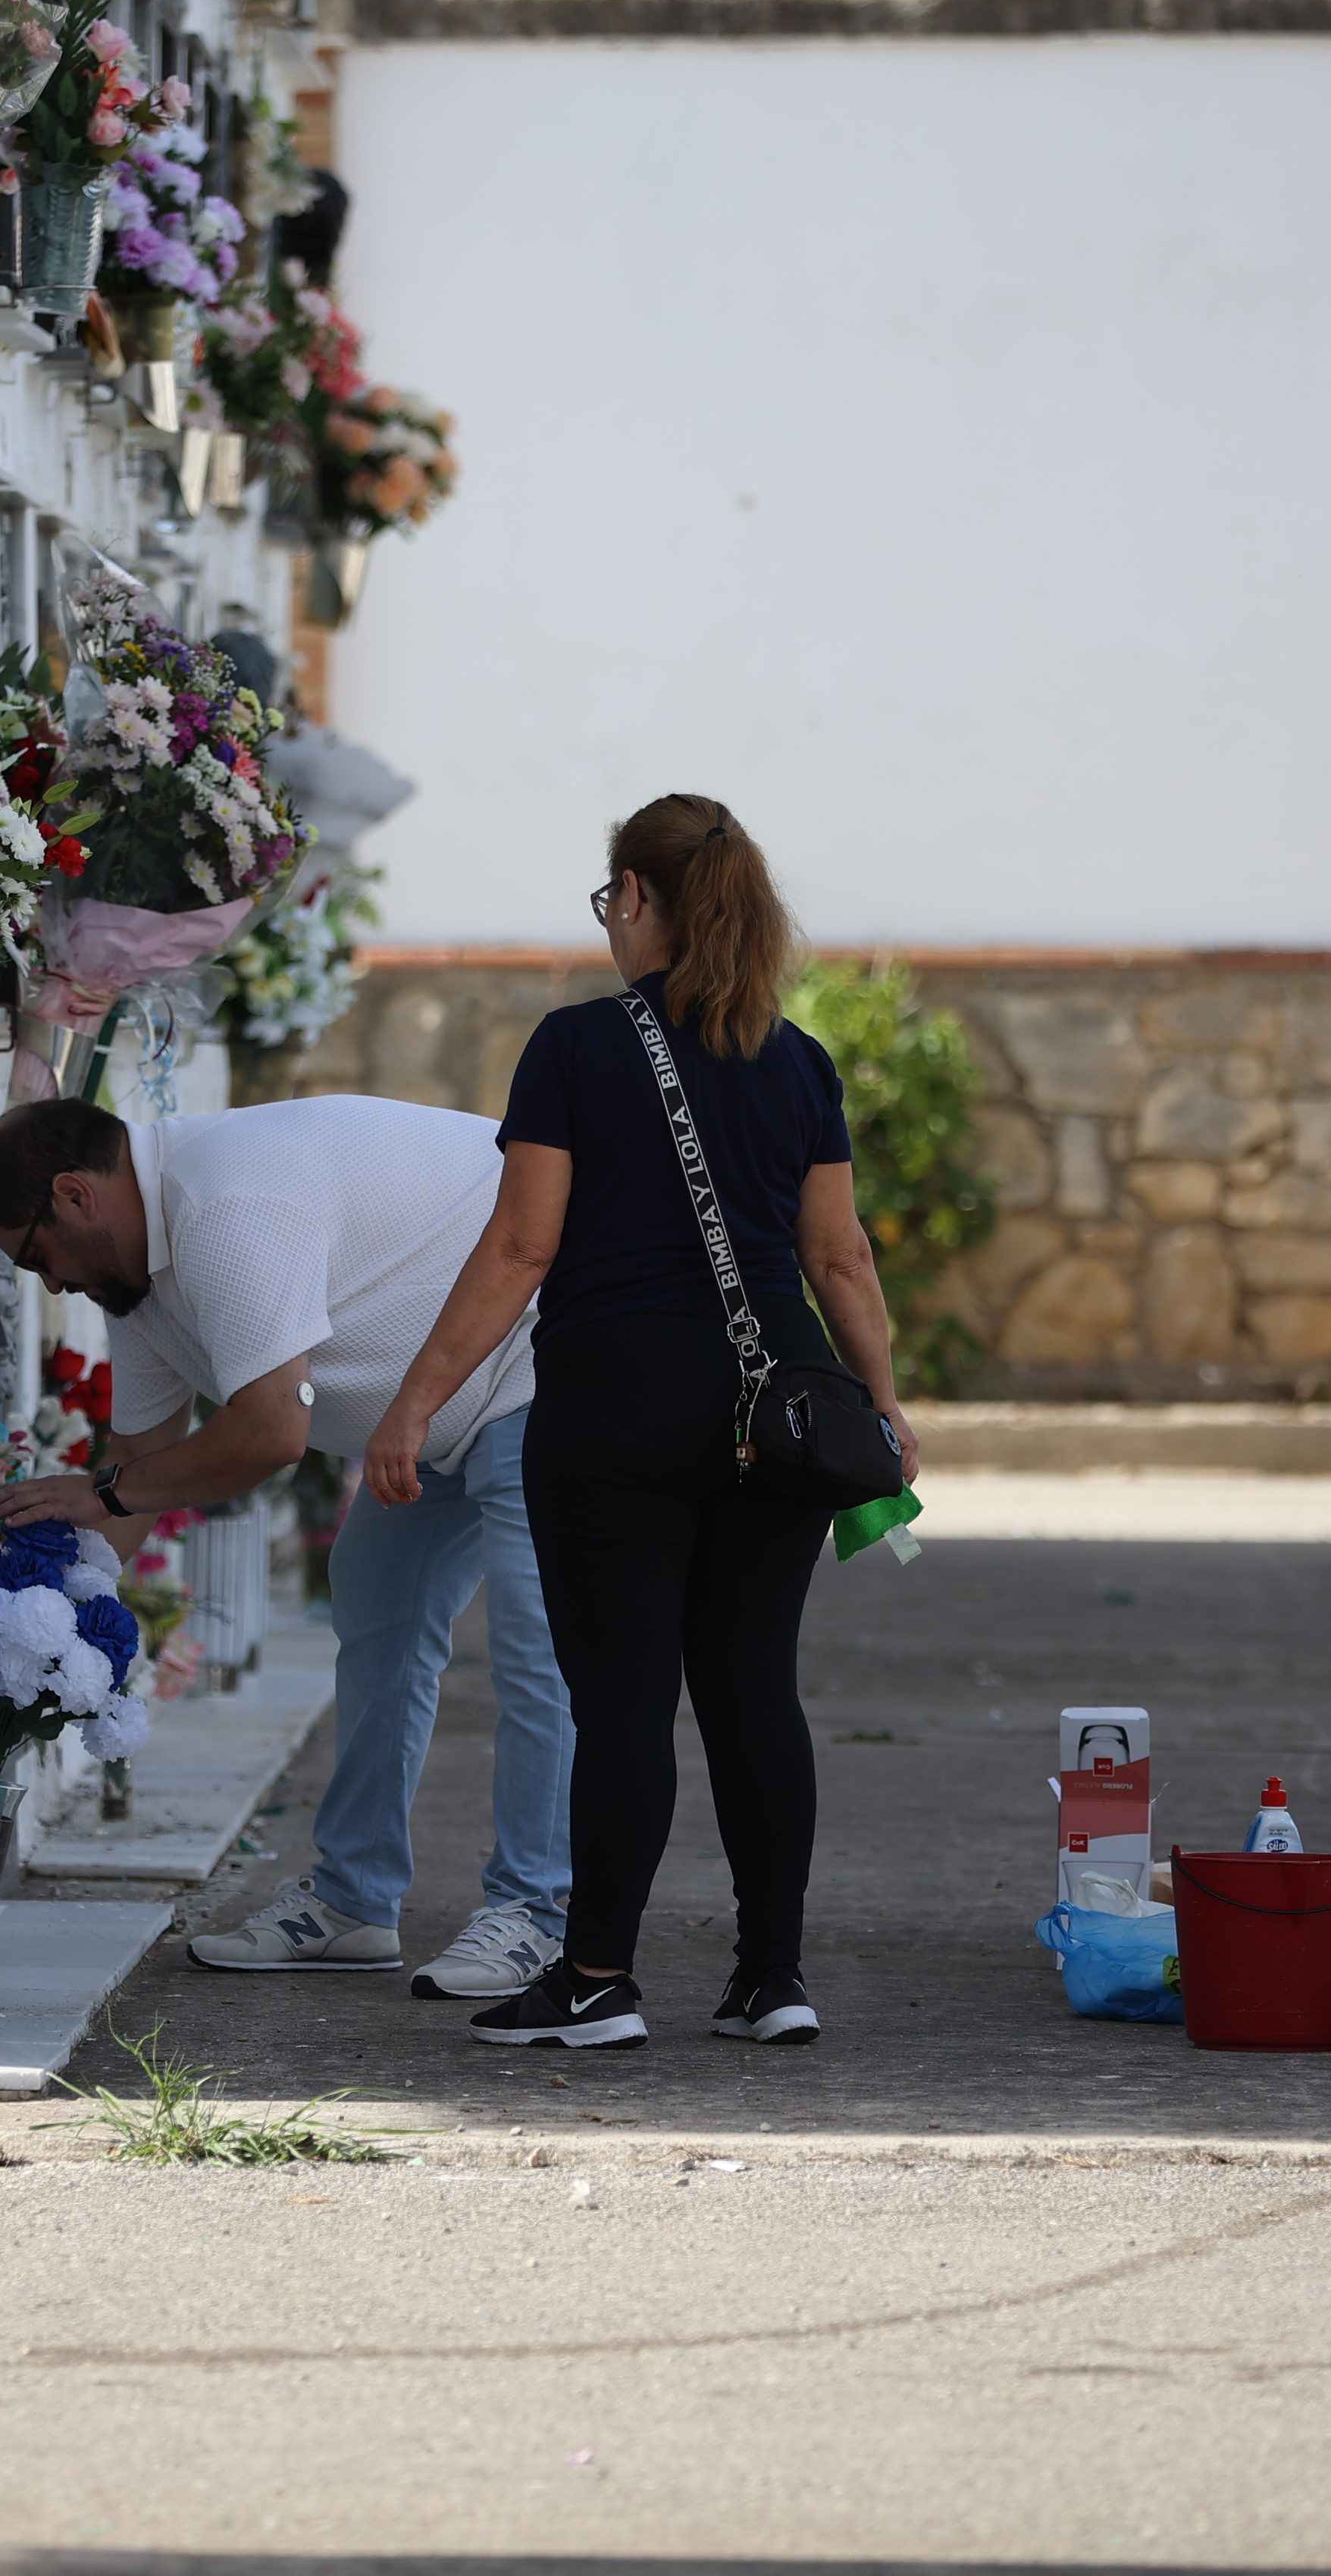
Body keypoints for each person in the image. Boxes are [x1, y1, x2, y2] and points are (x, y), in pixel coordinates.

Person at [363, 794, 913, 2051]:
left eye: (613, 898)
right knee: (754, 1692)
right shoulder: (800, 1062)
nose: (610, 920)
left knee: (623, 1697)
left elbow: (519, 1245)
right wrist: (880, 1408)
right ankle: (772, 1977)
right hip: (778, 1414)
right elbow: (840, 1259)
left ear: (641, 900)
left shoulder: (574, 1048)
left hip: (616, 1411)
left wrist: (415, 1399)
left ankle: (600, 1976)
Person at [0, 1090, 572, 1999]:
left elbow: (269, 1435)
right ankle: (354, 1903)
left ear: (76, 1195)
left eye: (38, 1256)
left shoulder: (222, 1206)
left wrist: (101, 1495)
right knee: (376, 1608)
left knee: (534, 1645)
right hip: (434, 1415)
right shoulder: (141, 1284)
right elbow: (141, 1465)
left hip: (543, 1362)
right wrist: (48, 1616)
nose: (51, 1285)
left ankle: (538, 1915)